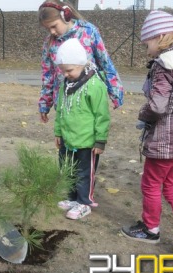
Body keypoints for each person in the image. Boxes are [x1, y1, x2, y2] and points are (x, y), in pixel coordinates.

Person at [120, 11, 173, 255]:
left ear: (160, 37)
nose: (145, 46)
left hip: (166, 143)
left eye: (146, 41)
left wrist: (143, 114)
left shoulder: (165, 67)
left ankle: (150, 229)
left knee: (150, 184)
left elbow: (158, 105)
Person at [38, 0, 124, 123]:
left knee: (86, 139)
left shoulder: (88, 32)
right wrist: (44, 103)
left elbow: (105, 63)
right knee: (66, 140)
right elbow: (48, 76)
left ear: (65, 15)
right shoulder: (49, 44)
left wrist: (115, 92)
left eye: (54, 26)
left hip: (88, 103)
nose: (52, 32)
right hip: (64, 105)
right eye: (48, 29)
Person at [53, 38, 111, 220]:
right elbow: (60, 108)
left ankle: (84, 202)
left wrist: (100, 140)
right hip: (68, 140)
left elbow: (102, 115)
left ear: (81, 63)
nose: (66, 74)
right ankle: (72, 198)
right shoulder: (66, 84)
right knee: (68, 170)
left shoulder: (95, 85)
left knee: (84, 173)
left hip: (87, 142)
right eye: (63, 71)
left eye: (69, 70)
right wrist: (58, 132)